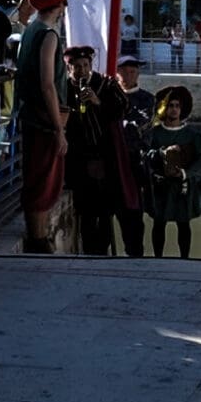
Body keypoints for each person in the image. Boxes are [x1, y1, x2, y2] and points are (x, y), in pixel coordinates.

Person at [14, 0, 72, 254]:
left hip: (31, 115)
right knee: (44, 178)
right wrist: (59, 129)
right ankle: (37, 239)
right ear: (59, 4)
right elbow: (47, 83)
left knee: (35, 175)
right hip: (45, 119)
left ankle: (36, 235)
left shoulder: (30, 29)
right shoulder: (48, 35)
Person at [64, 45, 129, 255]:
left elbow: (122, 106)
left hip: (105, 155)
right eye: (77, 67)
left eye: (85, 65)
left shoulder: (106, 84)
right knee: (85, 209)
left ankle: (102, 249)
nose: (81, 70)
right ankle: (90, 250)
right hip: (78, 158)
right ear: (70, 68)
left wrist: (97, 101)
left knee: (105, 209)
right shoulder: (64, 88)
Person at [145, 85, 201, 258]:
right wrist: (160, 154)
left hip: (183, 186)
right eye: (170, 105)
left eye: (177, 106)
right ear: (165, 108)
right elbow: (145, 156)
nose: (174, 109)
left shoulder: (192, 134)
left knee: (183, 223)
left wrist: (186, 173)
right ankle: (158, 258)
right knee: (159, 223)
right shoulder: (154, 133)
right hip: (161, 186)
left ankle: (185, 258)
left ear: (182, 108)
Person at [114, 55, 155, 256]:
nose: (129, 76)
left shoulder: (147, 99)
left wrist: (118, 125)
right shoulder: (110, 97)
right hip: (112, 161)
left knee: (134, 212)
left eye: (133, 72)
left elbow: (140, 124)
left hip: (134, 163)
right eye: (125, 72)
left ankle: (135, 252)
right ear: (117, 73)